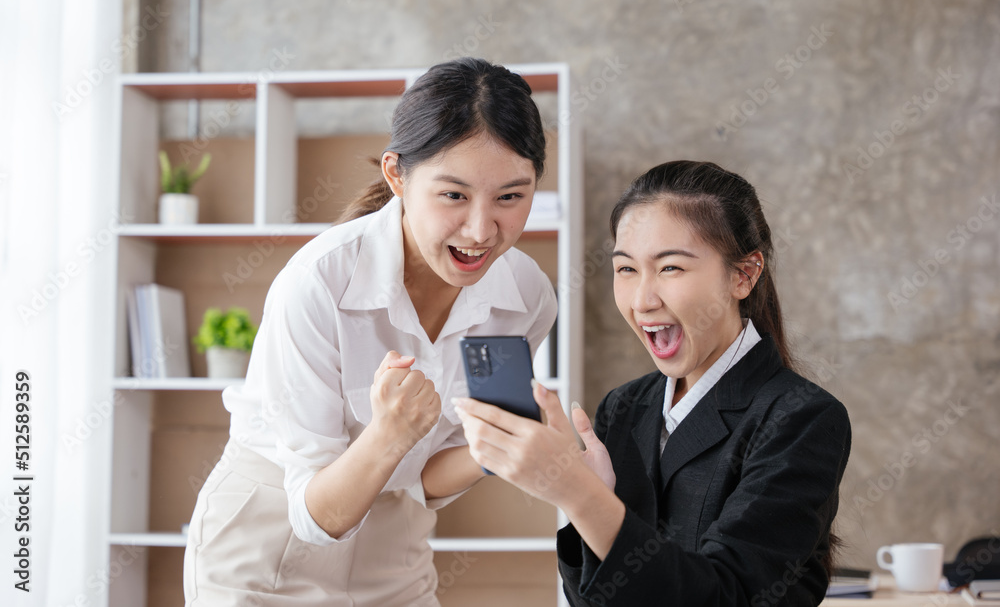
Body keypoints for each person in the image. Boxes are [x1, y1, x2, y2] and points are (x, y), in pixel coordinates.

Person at [183, 57, 558, 607]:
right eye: (453, 195)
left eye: (510, 197)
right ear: (396, 175)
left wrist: (503, 446)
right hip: (270, 540)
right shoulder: (319, 283)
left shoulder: (526, 296)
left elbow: (426, 477)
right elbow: (314, 515)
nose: (481, 230)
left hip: (395, 548)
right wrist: (389, 435)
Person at [454, 160, 852, 606]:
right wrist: (587, 500)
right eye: (626, 269)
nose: (642, 300)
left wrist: (581, 496)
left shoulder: (802, 418)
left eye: (670, 268)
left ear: (743, 275)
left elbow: (729, 597)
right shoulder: (623, 407)